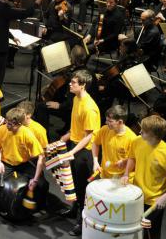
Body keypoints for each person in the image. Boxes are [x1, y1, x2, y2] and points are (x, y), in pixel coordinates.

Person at [0, 108, 47, 234]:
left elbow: (41, 157)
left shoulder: (27, 134)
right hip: (6, 162)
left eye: (10, 124)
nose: (7, 125)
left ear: (19, 124)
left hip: (23, 163)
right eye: (7, 122)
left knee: (43, 183)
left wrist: (36, 179)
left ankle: (38, 209)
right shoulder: (2, 129)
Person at [121, 115, 166, 239]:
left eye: (144, 131)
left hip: (154, 202)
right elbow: (132, 157)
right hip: (136, 196)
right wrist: (126, 174)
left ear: (154, 135)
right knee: (135, 231)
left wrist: (165, 197)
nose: (140, 132)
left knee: (150, 233)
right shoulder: (137, 141)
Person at [59, 70, 101, 236]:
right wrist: (66, 137)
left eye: (74, 82)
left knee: (83, 189)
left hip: (85, 152)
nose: (70, 84)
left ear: (83, 85)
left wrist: (73, 152)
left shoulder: (90, 108)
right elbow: (77, 126)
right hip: (75, 145)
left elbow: (89, 136)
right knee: (75, 183)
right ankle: (74, 209)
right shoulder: (76, 98)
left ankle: (81, 222)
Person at [91, 105, 137, 179]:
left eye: (110, 121)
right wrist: (95, 161)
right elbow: (95, 144)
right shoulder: (104, 130)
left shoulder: (132, 138)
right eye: (107, 120)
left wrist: (125, 162)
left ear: (120, 122)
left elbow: (136, 159)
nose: (106, 122)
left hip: (123, 178)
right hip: (105, 176)